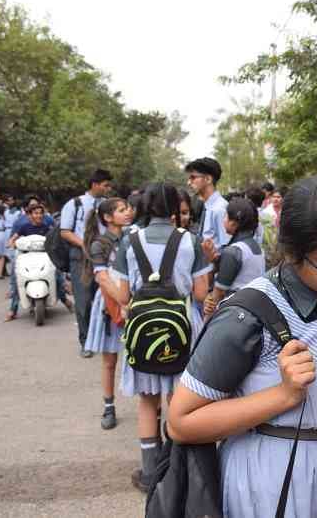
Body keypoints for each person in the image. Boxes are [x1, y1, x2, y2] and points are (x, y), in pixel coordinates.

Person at [168, 175, 317, 517]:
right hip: (273, 480)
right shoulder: (248, 314)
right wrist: (283, 396)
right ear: (294, 254)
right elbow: (181, 422)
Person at [111, 182, 211, 492]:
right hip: (182, 326)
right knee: (180, 399)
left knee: (147, 400)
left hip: (143, 329)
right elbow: (200, 292)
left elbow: (124, 294)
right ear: (174, 208)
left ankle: (150, 471)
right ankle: (179, 469)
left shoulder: (129, 241)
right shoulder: (190, 241)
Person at [82, 198, 132, 430]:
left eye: (127, 208)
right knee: (110, 359)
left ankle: (152, 407)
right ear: (107, 217)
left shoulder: (132, 238)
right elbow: (102, 278)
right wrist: (124, 301)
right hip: (110, 305)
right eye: (121, 210)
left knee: (138, 358)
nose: (127, 212)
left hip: (131, 301)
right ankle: (109, 407)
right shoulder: (99, 244)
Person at [60, 169, 113, 357]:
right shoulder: (74, 204)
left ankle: (103, 338)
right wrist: (84, 245)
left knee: (105, 297)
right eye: (106, 185)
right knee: (83, 300)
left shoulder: (107, 205)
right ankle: (85, 342)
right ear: (95, 184)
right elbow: (65, 231)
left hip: (104, 255)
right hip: (81, 257)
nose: (109, 188)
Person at [4, 203, 72, 321]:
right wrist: (11, 243)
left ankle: (65, 300)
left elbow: (54, 238)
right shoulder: (24, 227)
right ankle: (12, 310)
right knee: (16, 279)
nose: (39, 216)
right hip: (26, 258)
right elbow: (14, 238)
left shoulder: (47, 227)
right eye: (35, 213)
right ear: (29, 215)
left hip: (44, 257)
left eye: (41, 213)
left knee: (57, 276)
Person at [203, 198, 265, 318]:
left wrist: (208, 312)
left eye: (226, 216)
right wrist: (215, 260)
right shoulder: (256, 247)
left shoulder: (233, 252)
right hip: (252, 310)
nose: (224, 219)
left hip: (233, 313)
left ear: (233, 223)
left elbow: (218, 294)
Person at [184, 157, 230, 262]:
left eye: (193, 177)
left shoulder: (219, 209)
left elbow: (227, 249)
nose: (189, 182)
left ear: (208, 179)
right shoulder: (208, 207)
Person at [246, 184, 279, 268]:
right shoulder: (269, 217)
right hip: (267, 257)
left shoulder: (247, 217)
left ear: (248, 200)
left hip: (251, 257)